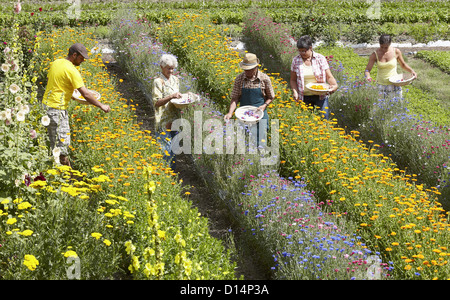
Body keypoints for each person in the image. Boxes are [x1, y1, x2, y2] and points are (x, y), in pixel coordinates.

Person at [42, 43, 111, 167]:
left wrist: (69, 93)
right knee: (62, 148)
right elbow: (86, 94)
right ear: (74, 55)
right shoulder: (72, 70)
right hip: (57, 110)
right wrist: (102, 105)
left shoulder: (57, 62)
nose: (83, 60)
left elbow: (51, 82)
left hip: (47, 107)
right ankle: (67, 177)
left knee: (54, 144)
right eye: (81, 58)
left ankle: (55, 171)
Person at [224, 53, 275, 146]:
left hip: (260, 116)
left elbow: (271, 97)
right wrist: (230, 113)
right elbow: (235, 98)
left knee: (260, 143)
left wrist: (264, 105)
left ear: (256, 67)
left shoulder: (264, 79)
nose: (247, 72)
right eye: (245, 70)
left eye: (250, 70)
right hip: (244, 116)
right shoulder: (239, 79)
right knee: (243, 143)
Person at [290, 35, 338, 120]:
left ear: (310, 48)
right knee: (305, 121)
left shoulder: (320, 58)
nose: (302, 53)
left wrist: (334, 85)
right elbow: (293, 80)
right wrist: (295, 92)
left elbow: (329, 76)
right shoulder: (296, 60)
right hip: (303, 96)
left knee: (323, 119)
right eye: (300, 51)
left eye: (304, 51)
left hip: (320, 96)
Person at [364, 34, 417, 100]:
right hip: (381, 85)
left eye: (386, 47)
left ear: (390, 44)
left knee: (396, 106)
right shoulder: (375, 54)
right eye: (381, 47)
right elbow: (367, 70)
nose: (383, 49)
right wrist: (368, 76)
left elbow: (403, 64)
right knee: (381, 108)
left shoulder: (396, 51)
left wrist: (412, 71)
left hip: (394, 84)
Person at [152, 54, 182, 168]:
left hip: (175, 119)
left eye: (172, 68)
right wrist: (171, 96)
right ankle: (164, 175)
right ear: (161, 67)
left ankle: (172, 175)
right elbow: (157, 102)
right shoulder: (158, 82)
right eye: (168, 68)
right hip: (163, 120)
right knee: (165, 150)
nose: (171, 70)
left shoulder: (175, 80)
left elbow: (177, 98)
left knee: (173, 149)